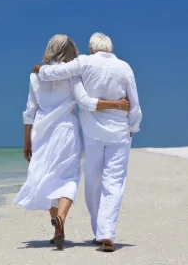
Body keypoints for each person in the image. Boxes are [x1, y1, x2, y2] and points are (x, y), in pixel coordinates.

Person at [14, 34, 130, 250]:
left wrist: (26, 141)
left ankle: (57, 228)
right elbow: (85, 102)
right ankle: (62, 219)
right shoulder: (73, 76)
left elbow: (29, 112)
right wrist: (116, 105)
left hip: (40, 132)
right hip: (66, 130)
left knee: (48, 176)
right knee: (68, 177)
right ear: (71, 52)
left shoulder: (35, 76)